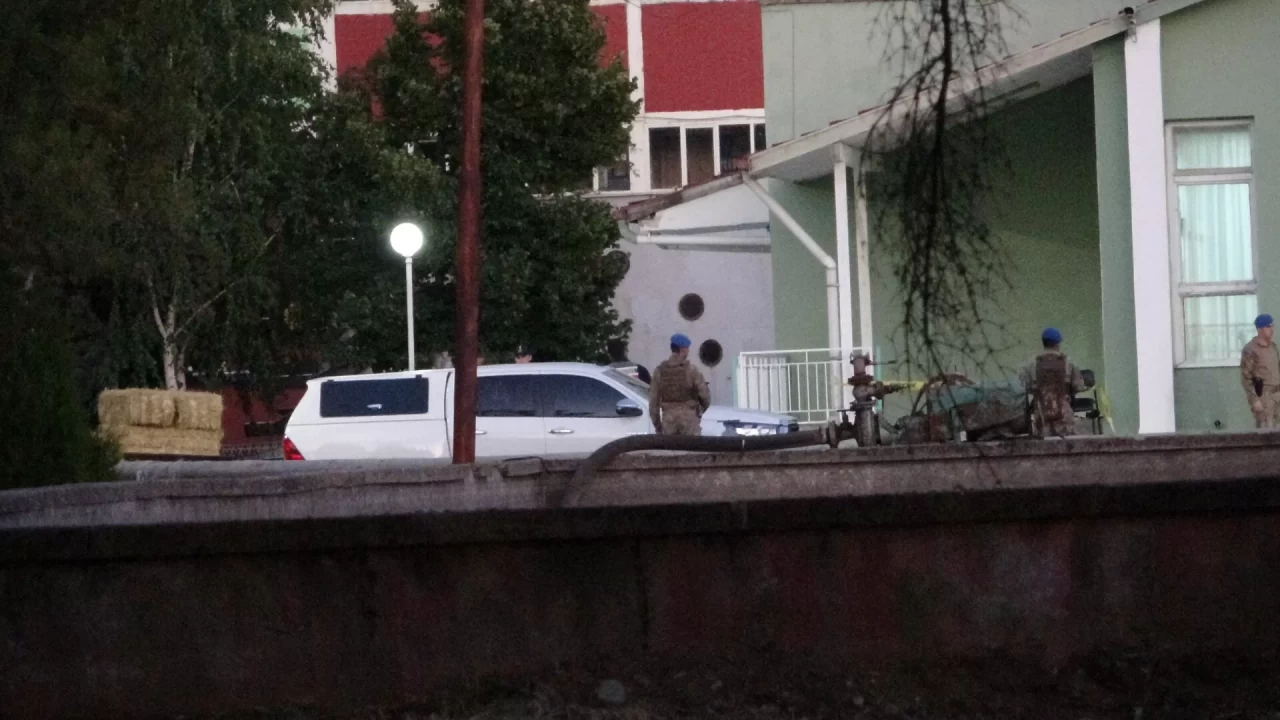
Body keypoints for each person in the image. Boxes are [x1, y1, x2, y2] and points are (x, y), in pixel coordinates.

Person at [1019, 327, 1089, 437]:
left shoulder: (1031, 364)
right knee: (1068, 441)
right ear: (1058, 344)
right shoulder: (1068, 362)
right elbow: (1079, 387)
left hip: (1041, 417)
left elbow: (1022, 388)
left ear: (1043, 342)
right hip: (1064, 416)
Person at [648, 333, 710, 436]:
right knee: (692, 446)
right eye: (687, 348)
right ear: (683, 349)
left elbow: (653, 403)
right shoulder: (691, 370)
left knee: (670, 447)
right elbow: (705, 396)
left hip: (668, 420)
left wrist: (658, 427)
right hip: (689, 420)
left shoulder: (659, 371)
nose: (688, 351)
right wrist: (699, 411)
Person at [1241, 313, 1280, 428]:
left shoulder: (1273, 347)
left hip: (1277, 394)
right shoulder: (1251, 349)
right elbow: (1246, 377)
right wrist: (1254, 400)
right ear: (1259, 329)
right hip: (1264, 397)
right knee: (1266, 432)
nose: (1272, 329)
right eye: (1268, 326)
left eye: (1272, 326)